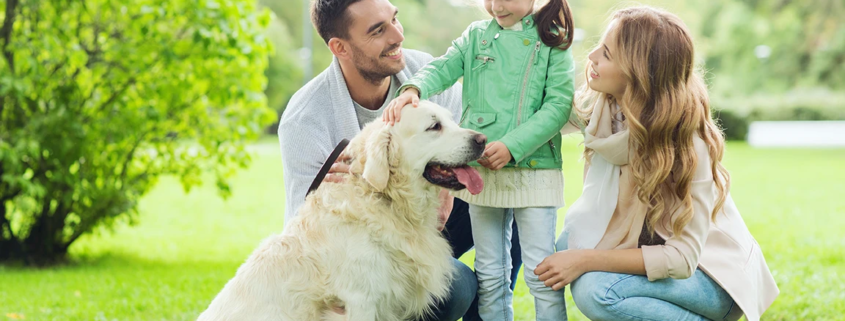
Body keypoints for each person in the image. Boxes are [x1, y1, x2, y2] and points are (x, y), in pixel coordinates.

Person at [277, 0, 522, 319]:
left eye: (395, 20)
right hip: (365, 241)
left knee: (509, 202)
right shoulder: (305, 120)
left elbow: (466, 140)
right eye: (378, 30)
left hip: (430, 208)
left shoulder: (426, 72)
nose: (397, 36)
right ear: (340, 47)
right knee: (458, 287)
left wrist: (446, 189)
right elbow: (303, 232)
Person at [533, 6, 779, 321]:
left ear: (638, 73)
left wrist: (584, 259)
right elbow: (543, 112)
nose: (591, 56)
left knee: (596, 290)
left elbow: (682, 258)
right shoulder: (603, 107)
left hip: (710, 276)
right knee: (570, 240)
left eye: (606, 54)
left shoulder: (687, 145)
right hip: (646, 247)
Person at [384, 0, 575, 318]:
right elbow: (443, 66)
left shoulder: (554, 39)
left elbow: (558, 106)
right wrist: (414, 88)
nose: (495, 6)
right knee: (490, 274)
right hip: (483, 172)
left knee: (542, 273)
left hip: (534, 170)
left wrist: (513, 146)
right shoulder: (476, 35)